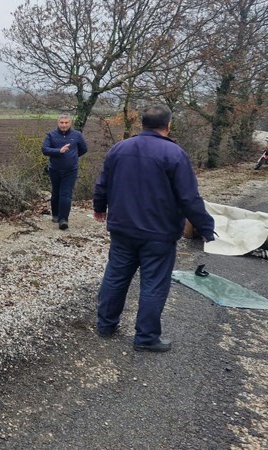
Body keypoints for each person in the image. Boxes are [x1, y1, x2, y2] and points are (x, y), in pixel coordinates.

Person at [93, 104, 215, 353]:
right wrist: (205, 227)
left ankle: (105, 325)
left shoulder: (120, 148)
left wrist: (99, 207)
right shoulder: (174, 154)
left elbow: (102, 183)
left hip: (122, 228)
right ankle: (146, 337)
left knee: (115, 277)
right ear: (168, 125)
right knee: (154, 284)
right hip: (158, 233)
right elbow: (189, 197)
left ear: (143, 124)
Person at [42, 114, 88, 230]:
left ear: (70, 123)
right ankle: (56, 215)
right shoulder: (51, 135)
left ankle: (63, 220)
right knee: (56, 192)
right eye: (62, 123)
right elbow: (45, 149)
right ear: (58, 123)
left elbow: (84, 149)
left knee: (66, 193)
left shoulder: (77, 135)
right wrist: (59, 151)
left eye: (66, 123)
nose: (64, 125)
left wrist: (73, 156)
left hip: (70, 170)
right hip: (55, 169)